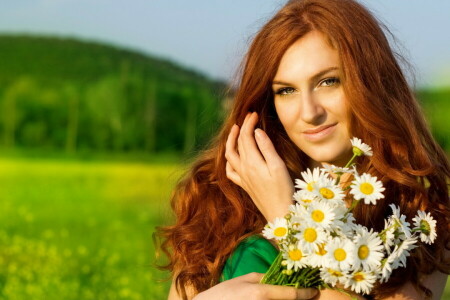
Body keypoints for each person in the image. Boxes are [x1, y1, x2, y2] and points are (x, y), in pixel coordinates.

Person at [156, 0, 450, 299]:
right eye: (286, 90)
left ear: (372, 84)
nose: (309, 112)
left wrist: (285, 220)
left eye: (328, 81)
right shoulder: (219, 196)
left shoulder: (421, 213)